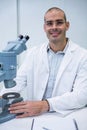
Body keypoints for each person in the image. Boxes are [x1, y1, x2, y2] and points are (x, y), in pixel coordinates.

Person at [1, 7, 87, 118]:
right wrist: (2, 96)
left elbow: (82, 95)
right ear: (45, 27)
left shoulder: (83, 56)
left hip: (66, 116)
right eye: (50, 23)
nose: (54, 27)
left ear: (67, 25)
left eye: (59, 22)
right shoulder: (33, 53)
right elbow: (18, 81)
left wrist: (45, 105)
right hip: (33, 116)